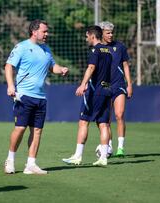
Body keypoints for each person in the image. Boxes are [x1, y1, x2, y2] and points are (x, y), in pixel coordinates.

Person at [4, 19, 69, 175]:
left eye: (47, 31)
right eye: (44, 31)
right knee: (20, 128)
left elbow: (52, 67)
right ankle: (10, 160)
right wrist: (10, 85)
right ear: (34, 32)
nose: (47, 34)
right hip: (24, 96)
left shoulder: (46, 49)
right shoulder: (22, 47)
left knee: (37, 131)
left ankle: (31, 165)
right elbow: (8, 66)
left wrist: (61, 69)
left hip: (41, 98)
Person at [62, 25, 112, 166]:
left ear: (92, 35)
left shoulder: (95, 50)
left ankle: (77, 156)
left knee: (84, 121)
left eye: (86, 36)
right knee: (103, 124)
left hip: (95, 91)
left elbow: (91, 67)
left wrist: (83, 84)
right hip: (107, 90)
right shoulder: (108, 50)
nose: (86, 39)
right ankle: (103, 158)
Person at [99, 21, 133, 157]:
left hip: (119, 84)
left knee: (119, 115)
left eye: (112, 32)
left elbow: (125, 66)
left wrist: (129, 84)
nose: (111, 35)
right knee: (106, 119)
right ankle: (109, 146)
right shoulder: (98, 48)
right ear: (101, 33)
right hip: (104, 86)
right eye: (108, 33)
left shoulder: (120, 47)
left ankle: (121, 148)